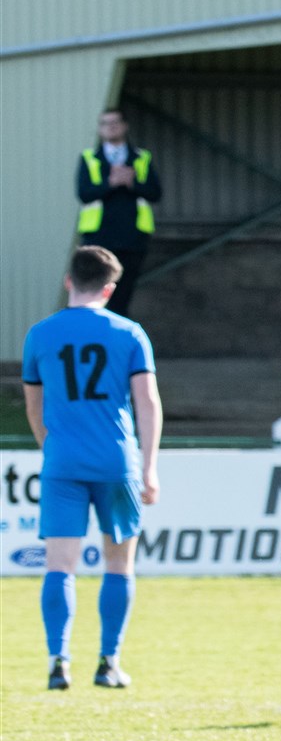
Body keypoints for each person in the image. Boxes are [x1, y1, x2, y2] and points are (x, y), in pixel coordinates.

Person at [21, 246, 162, 691]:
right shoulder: (130, 333)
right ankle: (108, 661)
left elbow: (34, 404)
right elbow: (147, 403)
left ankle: (57, 661)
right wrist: (150, 467)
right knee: (119, 563)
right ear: (109, 287)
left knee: (59, 564)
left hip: (62, 460)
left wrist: (52, 446)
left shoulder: (39, 334)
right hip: (116, 460)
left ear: (68, 281)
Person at [76, 109, 162, 318]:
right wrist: (111, 183)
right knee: (97, 288)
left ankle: (118, 332)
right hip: (99, 237)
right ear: (100, 129)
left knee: (123, 292)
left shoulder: (141, 158)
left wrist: (132, 183)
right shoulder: (89, 158)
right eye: (106, 123)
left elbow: (155, 193)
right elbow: (84, 194)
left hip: (132, 237)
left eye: (115, 122)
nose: (111, 127)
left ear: (125, 126)